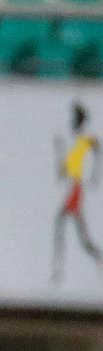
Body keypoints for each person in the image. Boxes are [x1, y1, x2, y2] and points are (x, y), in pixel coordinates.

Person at [53, 101, 101, 282]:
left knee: (66, 227)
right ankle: (97, 258)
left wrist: (95, 175)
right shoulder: (75, 144)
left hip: (76, 190)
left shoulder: (83, 141)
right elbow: (63, 171)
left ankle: (59, 271)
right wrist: (59, 151)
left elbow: (96, 148)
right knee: (80, 235)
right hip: (73, 188)